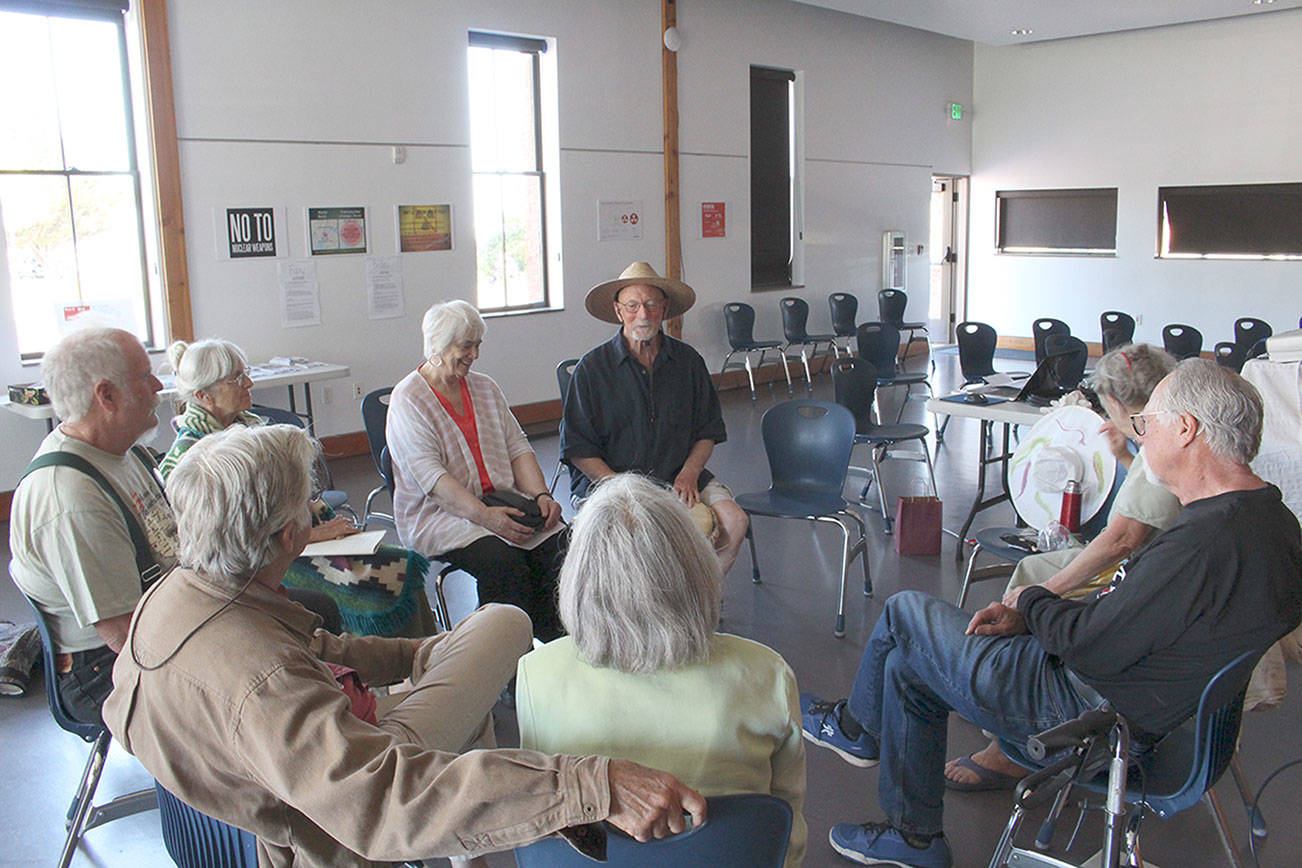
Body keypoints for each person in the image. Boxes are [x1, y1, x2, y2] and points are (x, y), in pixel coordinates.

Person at [104, 424, 707, 868]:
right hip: (349, 814)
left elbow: (309, 648)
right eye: (309, 509)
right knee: (503, 623)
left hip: (283, 785)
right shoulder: (263, 686)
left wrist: (420, 658)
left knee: (487, 638)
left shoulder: (180, 594)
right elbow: (390, 803)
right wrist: (592, 784)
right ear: (291, 535)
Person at [800, 359, 1302, 868]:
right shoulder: (1276, 525)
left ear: (1186, 429)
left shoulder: (1199, 546)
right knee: (909, 665)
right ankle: (912, 837)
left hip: (1079, 715)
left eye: (1148, 424)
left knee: (905, 612)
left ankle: (858, 729)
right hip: (1163, 721)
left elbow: (1094, 645)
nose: (1142, 438)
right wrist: (1053, 614)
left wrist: (1034, 601)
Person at [517, 473, 807, 866]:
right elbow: (786, 822)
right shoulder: (767, 673)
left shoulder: (537, 675)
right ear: (697, 570)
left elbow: (542, 808)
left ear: (579, 579)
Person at [946, 343, 1180, 790]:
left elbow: (1122, 539)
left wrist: (1048, 589)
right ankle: (1002, 696)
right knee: (1034, 572)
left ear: (1114, 401)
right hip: (1154, 565)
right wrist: (1126, 455)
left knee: (1034, 582)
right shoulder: (1158, 438)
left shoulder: (1157, 447)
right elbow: (1151, 505)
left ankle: (1013, 736)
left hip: (1141, 573)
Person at [9, 327, 177, 724]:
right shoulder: (71, 498)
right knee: (264, 663)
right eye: (144, 376)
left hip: (157, 618)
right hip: (101, 670)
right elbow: (122, 635)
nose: (157, 385)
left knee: (301, 613)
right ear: (107, 396)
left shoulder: (122, 449)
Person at [387, 300, 565, 639]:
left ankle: (559, 646)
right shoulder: (408, 399)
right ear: (438, 345)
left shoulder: (484, 387)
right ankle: (504, 663)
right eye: (466, 346)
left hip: (501, 500)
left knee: (562, 546)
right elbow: (434, 482)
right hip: (440, 515)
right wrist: (486, 518)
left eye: (477, 345)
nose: (475, 354)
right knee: (503, 563)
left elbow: (518, 447)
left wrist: (542, 495)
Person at [560, 261, 748, 574]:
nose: (643, 315)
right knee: (641, 539)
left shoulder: (688, 362)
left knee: (735, 521)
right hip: (612, 484)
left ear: (664, 308)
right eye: (633, 306)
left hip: (678, 476)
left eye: (650, 305)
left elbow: (707, 431)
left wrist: (689, 472)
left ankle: (699, 598)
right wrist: (623, 487)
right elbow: (579, 450)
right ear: (618, 311)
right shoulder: (592, 369)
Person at [158, 338, 355, 544]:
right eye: (236, 379)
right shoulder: (187, 460)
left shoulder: (252, 429)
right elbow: (216, 546)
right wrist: (310, 536)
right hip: (255, 565)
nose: (249, 384)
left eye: (246, 374)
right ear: (204, 395)